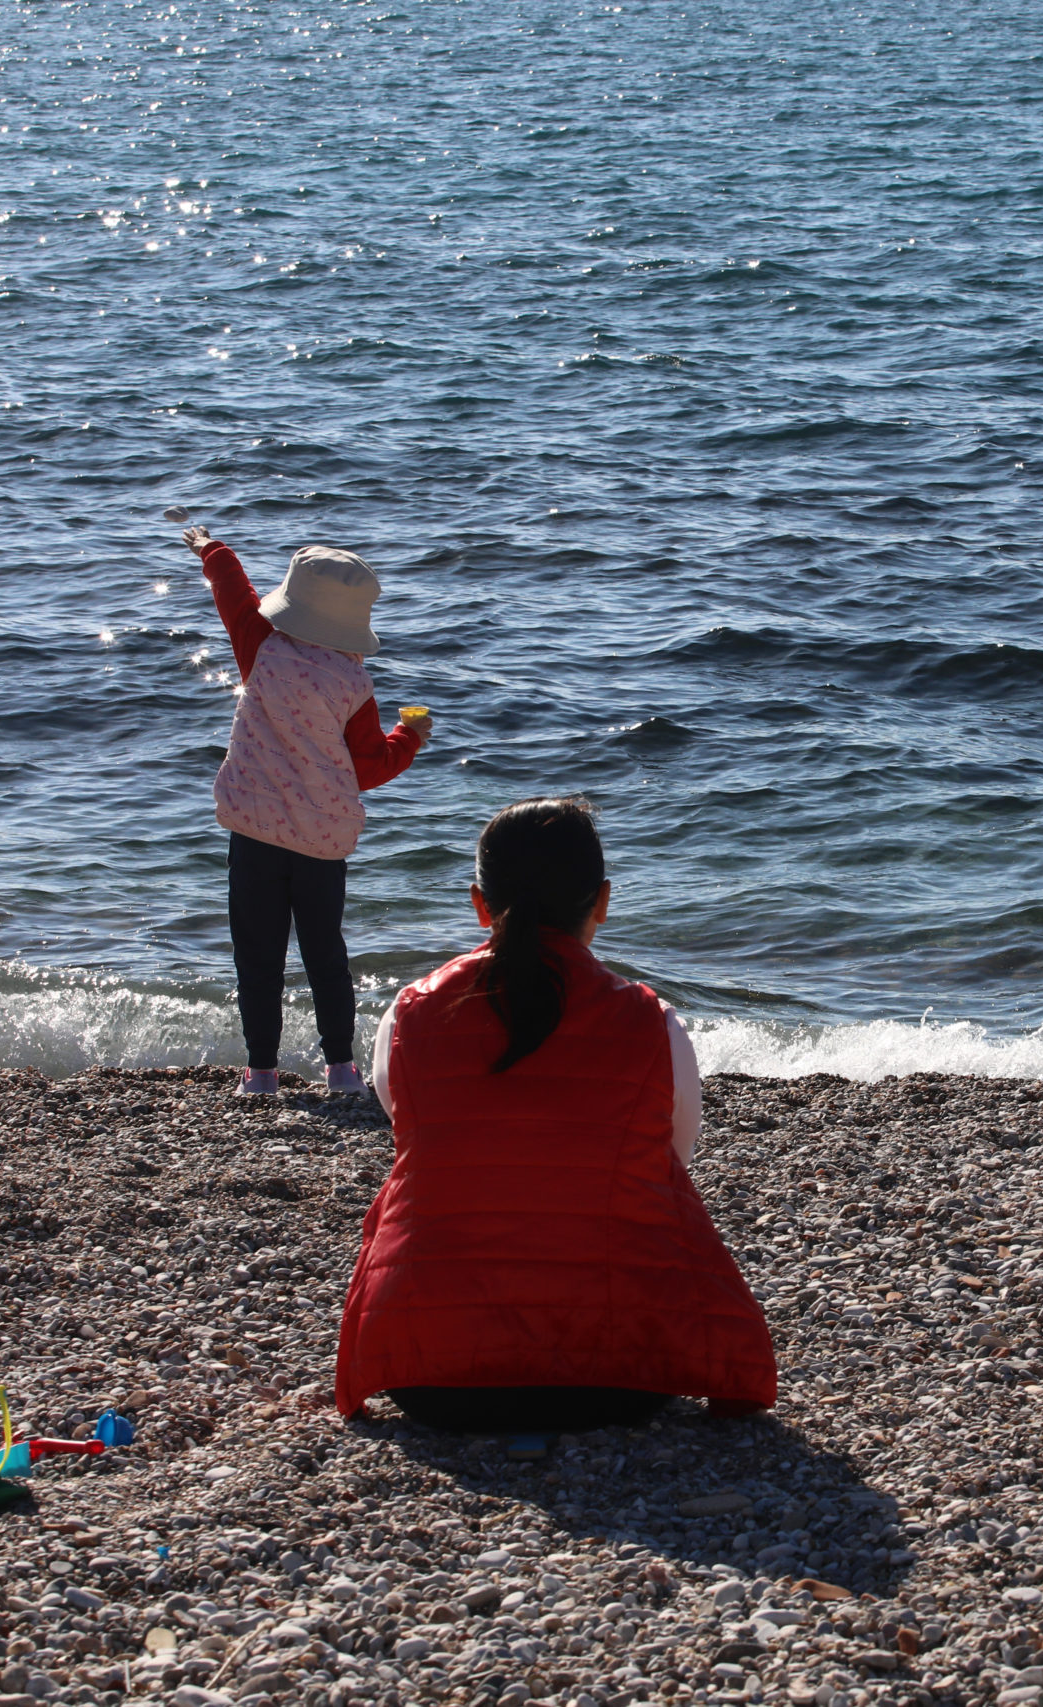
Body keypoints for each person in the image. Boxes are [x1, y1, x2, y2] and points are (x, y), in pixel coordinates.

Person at [334, 797, 776, 1433]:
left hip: (429, 1376)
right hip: (620, 1380)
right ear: (601, 901)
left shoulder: (410, 1014)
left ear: (480, 904)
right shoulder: (650, 1021)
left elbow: (418, 1136)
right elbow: (672, 1155)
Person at [185, 525, 430, 1097]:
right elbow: (369, 770)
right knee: (326, 953)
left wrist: (210, 549)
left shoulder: (259, 646)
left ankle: (262, 1073)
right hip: (321, 843)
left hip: (255, 833)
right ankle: (341, 1070)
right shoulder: (353, 682)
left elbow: (232, 593)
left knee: (258, 955)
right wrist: (409, 735)